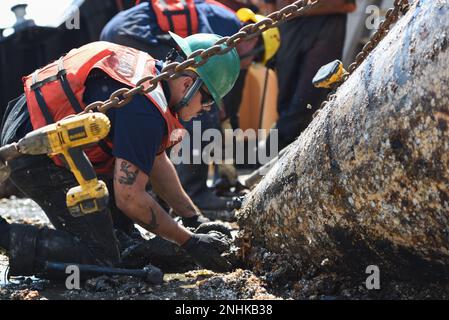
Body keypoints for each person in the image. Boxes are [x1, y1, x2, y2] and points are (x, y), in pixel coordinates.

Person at [0, 32, 240, 277]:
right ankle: (6, 237)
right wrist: (191, 242)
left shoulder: (151, 76)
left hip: (33, 122)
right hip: (34, 150)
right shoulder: (145, 110)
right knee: (101, 259)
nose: (207, 109)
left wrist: (193, 219)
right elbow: (129, 198)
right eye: (208, 100)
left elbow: (156, 159)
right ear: (188, 85)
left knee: (129, 246)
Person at [100, 0, 279, 211]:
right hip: (135, 33)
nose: (250, 65)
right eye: (256, 59)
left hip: (119, 30)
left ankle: (158, 189)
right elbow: (207, 83)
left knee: (164, 107)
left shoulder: (222, 17)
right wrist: (215, 114)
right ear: (253, 40)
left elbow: (223, 105)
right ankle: (196, 192)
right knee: (198, 105)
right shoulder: (228, 27)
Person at [262, 0, 356, 150]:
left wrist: (299, 9)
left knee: (308, 95)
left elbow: (347, 4)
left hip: (327, 26)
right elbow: (274, 6)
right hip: (288, 27)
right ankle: (279, 147)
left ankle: (278, 146)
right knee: (286, 96)